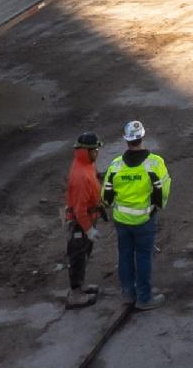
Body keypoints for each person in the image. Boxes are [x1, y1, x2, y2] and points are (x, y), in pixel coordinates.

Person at [105, 119, 172, 305]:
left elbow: (107, 196)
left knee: (125, 255)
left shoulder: (116, 165)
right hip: (144, 220)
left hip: (121, 221)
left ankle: (128, 294)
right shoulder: (155, 163)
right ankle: (144, 298)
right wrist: (157, 206)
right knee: (143, 257)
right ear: (142, 136)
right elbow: (163, 190)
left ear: (126, 140)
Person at [63, 132, 103, 297]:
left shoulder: (86, 164)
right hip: (80, 222)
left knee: (84, 254)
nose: (97, 153)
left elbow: (94, 175)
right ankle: (76, 293)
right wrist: (89, 230)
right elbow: (79, 210)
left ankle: (80, 285)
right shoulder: (81, 176)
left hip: (88, 218)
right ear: (86, 151)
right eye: (94, 150)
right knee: (78, 257)